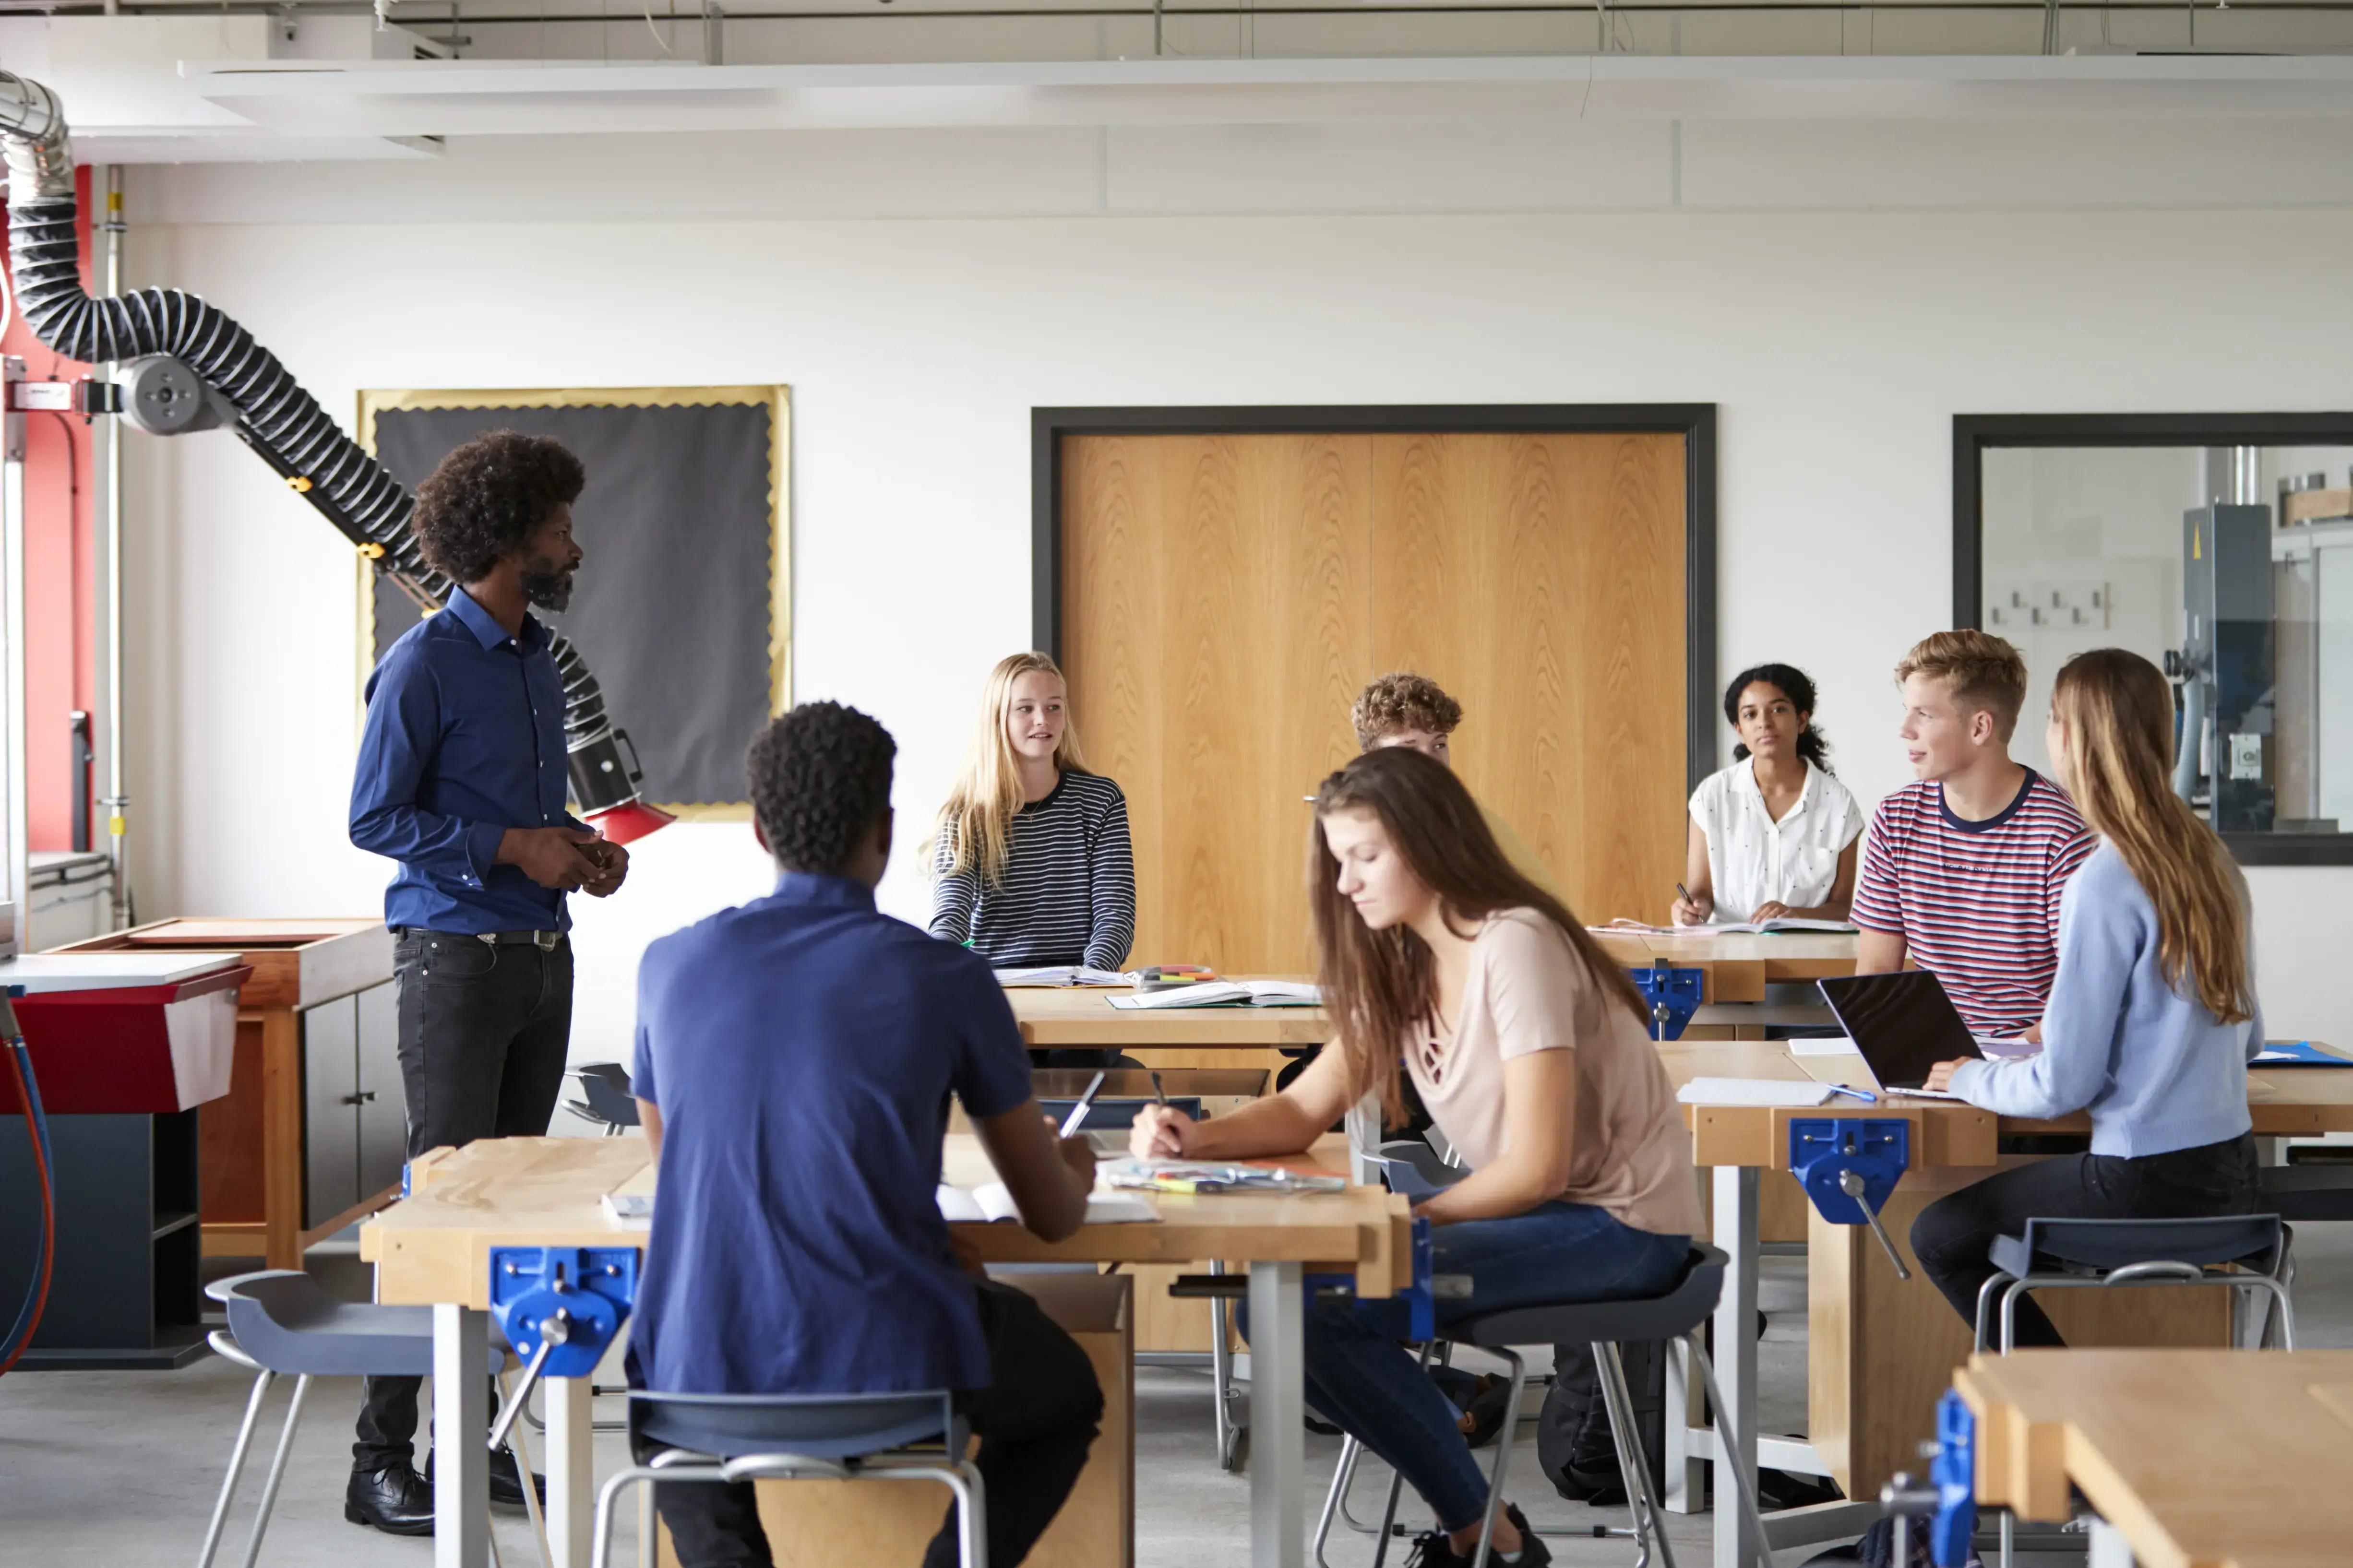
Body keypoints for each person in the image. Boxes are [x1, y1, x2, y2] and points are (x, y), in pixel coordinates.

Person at [1130, 745, 1704, 1568]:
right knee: (1271, 1306)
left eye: (1364, 856)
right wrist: (1194, 1135)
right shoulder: (1406, 960)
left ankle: (1482, 1537)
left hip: (1621, 1228)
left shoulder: (1516, 942)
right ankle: (1489, 1530)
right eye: (1339, 861)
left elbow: (1539, 1166)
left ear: (1429, 843)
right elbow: (1302, 1106)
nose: (1345, 882)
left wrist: (1395, 1216)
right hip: (1544, 1217)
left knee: (1309, 1306)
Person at [631, 701, 1104, 1568]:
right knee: (1068, 1393)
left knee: (674, 1402)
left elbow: (682, 1183)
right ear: (885, 832)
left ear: (761, 830)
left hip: (694, 1365)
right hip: (896, 1353)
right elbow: (1050, 1217)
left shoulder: (670, 965)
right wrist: (1076, 1159)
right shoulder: (948, 978)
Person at [346, 429, 629, 1534]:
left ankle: (481, 1442)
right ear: (514, 541)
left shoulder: (533, 664)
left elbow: (516, 814)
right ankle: (380, 1457)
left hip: (541, 959)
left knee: (513, 1214)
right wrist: (516, 848)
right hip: (454, 964)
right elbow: (376, 816)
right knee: (442, 1208)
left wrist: (575, 847)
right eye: (559, 526)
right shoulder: (422, 662)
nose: (574, 544)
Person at [1908, 649, 2262, 1346]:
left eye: (2049, 720)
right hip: (2231, 1175)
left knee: (1939, 1233)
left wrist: (1971, 1077)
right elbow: (2246, 1037)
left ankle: (2062, 1415)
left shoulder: (2102, 879)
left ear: (2073, 737)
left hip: (2136, 1186)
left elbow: (2061, 1084)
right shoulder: (2210, 859)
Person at [1850, 630, 2095, 1039]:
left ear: (1980, 727)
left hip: (2032, 1062)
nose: (1904, 730)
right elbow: (1876, 975)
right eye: (1907, 711)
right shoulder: (1896, 818)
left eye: (1923, 715)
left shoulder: (2061, 832)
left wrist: (1984, 1073)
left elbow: (2082, 1001)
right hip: (1931, 1056)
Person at [928, 652, 1135, 974]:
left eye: (1054, 707)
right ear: (998, 718)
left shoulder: (1100, 800)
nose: (1043, 719)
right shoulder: (966, 813)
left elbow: (1115, 916)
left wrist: (1091, 980)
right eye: (1025, 708)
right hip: (993, 985)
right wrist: (938, 972)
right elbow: (950, 917)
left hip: (1080, 981)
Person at [1672, 663, 1863, 927]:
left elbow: (1842, 908)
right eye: (1750, 715)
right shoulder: (1712, 797)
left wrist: (1795, 916)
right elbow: (1701, 893)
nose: (1764, 722)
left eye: (1778, 709)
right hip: (1729, 953)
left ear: (1801, 721)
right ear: (1739, 730)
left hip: (1812, 955)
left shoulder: (1839, 804)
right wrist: (1693, 910)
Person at [1352, 671, 1562, 897]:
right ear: (1372, 760)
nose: (1431, 760)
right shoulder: (1359, 824)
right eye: (1409, 748)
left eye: (1439, 745)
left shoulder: (1463, 817)